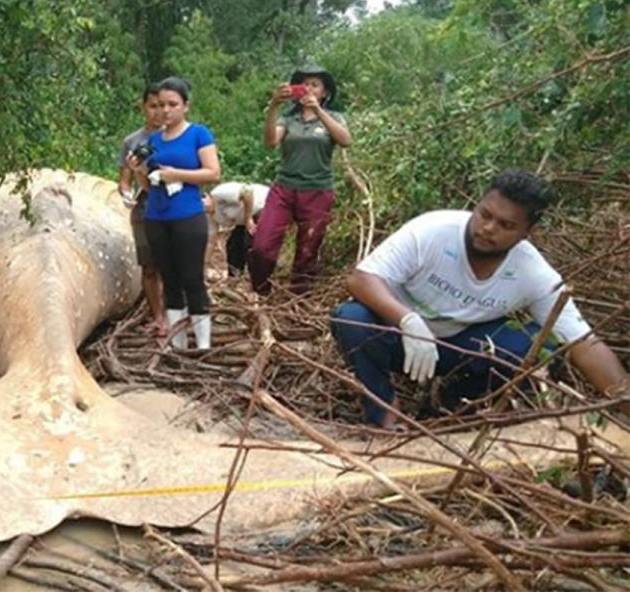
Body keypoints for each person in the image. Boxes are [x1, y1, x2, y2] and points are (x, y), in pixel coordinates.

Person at [330, 169, 629, 429]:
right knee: (351, 318)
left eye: (506, 225)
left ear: (528, 232)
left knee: (540, 345)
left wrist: (624, 402)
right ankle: (382, 410)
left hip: (462, 347)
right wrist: (407, 320)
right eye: (485, 214)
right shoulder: (433, 231)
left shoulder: (532, 272)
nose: (488, 229)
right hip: (401, 339)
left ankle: (454, 405)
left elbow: (585, 345)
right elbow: (361, 279)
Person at [127, 77, 221, 350]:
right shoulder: (154, 140)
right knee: (170, 280)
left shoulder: (198, 134)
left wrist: (175, 174)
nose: (166, 110)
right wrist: (139, 170)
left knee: (192, 278)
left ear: (185, 106)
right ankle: (178, 343)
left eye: (173, 104)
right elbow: (147, 185)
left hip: (188, 214)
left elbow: (213, 172)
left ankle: (203, 344)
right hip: (156, 216)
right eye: (161, 105)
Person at [250, 63, 352, 295]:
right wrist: (273, 106)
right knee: (262, 246)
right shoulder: (288, 119)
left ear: (324, 92)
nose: (308, 88)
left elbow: (346, 140)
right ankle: (260, 293)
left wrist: (319, 112)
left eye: (315, 85)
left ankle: (297, 304)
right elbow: (270, 142)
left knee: (307, 252)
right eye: (304, 84)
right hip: (284, 189)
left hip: (318, 191)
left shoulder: (333, 117)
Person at [118, 84, 166, 337]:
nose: (159, 112)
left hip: (174, 205)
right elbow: (124, 179)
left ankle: (174, 314)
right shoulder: (132, 142)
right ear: (144, 107)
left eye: (165, 106)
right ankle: (158, 317)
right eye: (153, 106)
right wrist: (126, 193)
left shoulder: (180, 136)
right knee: (149, 266)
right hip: (145, 205)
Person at [205, 182, 270, 277]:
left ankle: (259, 277)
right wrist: (204, 263)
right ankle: (236, 276)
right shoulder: (209, 216)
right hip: (242, 221)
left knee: (251, 242)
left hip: (261, 206)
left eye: (203, 200)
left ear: (207, 195)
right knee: (233, 245)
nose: (204, 205)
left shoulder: (219, 193)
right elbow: (210, 241)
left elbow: (247, 192)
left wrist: (248, 218)